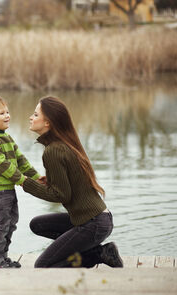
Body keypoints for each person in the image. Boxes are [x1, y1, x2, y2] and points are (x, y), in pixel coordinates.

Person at [21, 95, 123, 268]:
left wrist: (26, 183)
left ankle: (99, 254)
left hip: (93, 224)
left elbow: (62, 195)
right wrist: (51, 180)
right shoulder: (64, 143)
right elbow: (71, 181)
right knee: (38, 225)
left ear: (48, 123)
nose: (31, 117)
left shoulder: (53, 151)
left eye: (36, 114)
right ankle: (101, 251)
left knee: (43, 266)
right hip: (99, 219)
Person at [0, 95, 42, 268]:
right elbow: (3, 166)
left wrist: (36, 177)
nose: (7, 115)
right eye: (2, 113)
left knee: (10, 223)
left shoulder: (7, 137)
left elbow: (20, 160)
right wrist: (22, 180)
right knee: (1, 225)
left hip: (8, 190)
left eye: (7, 112)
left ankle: (2, 257)